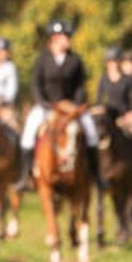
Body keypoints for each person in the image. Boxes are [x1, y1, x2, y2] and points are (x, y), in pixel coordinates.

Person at [15, 19, 104, 194]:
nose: (68, 39)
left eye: (68, 36)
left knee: (91, 132)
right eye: (65, 36)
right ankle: (25, 176)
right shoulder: (42, 59)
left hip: (70, 108)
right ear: (55, 38)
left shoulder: (75, 60)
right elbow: (36, 85)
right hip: (47, 106)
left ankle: (97, 176)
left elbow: (80, 86)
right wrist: (44, 104)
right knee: (28, 132)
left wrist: (76, 105)